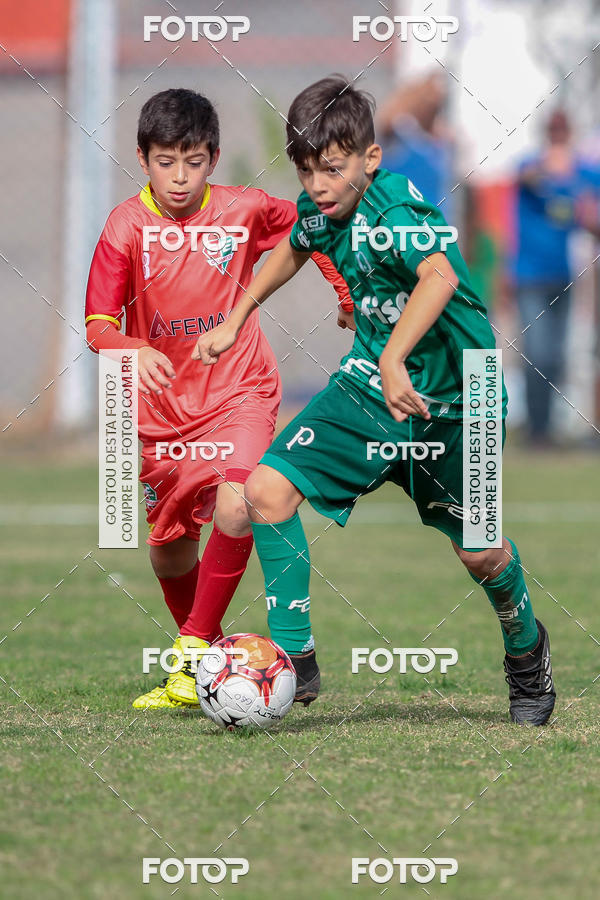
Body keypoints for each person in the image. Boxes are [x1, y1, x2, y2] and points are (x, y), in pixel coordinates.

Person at [193, 76, 556, 726]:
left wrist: (395, 356)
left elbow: (439, 276)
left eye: (332, 169)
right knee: (267, 490)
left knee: (480, 553)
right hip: (368, 389)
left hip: (460, 395)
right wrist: (236, 316)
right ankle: (294, 658)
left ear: (370, 158)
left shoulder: (394, 211)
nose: (318, 186)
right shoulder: (322, 211)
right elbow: (291, 248)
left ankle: (526, 651)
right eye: (307, 171)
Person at [85, 88, 350, 709]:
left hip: (240, 391)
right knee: (168, 547)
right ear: (143, 160)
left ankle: (194, 653)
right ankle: (202, 658)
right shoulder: (125, 226)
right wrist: (133, 349)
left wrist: (343, 291)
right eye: (165, 161)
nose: (180, 177)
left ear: (214, 158)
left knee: (238, 505)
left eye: (194, 161)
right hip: (157, 408)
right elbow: (97, 323)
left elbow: (314, 230)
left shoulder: (245, 209)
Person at [513, 109, 600, 446]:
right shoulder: (530, 164)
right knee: (537, 352)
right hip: (529, 276)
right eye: (554, 129)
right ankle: (536, 430)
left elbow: (591, 212)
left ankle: (546, 430)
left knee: (558, 356)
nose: (559, 135)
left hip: (564, 276)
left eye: (564, 129)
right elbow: (529, 178)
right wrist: (555, 169)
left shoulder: (584, 171)